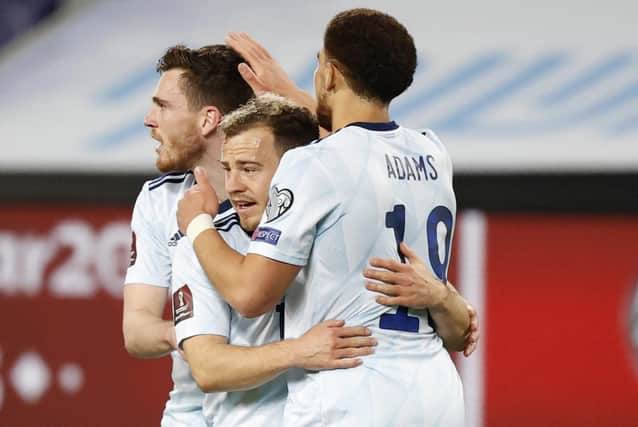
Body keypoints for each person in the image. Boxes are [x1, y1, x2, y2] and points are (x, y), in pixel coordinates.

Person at [178, 8, 468, 426]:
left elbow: (249, 294)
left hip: (352, 392)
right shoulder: (433, 152)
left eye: (318, 65)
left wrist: (199, 225)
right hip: (435, 392)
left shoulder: (308, 165)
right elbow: (362, 146)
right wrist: (291, 95)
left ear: (330, 75)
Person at [172, 93, 378, 426]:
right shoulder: (203, 244)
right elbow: (207, 367)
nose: (234, 186)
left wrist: (444, 301)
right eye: (228, 169)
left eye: (249, 169)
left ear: (295, 172)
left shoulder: (339, 234)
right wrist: (299, 351)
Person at [121, 44, 254, 426]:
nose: (149, 119)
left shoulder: (286, 192)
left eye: (163, 106)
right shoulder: (158, 200)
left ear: (208, 119)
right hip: (191, 412)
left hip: (278, 407)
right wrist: (198, 335)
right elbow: (137, 330)